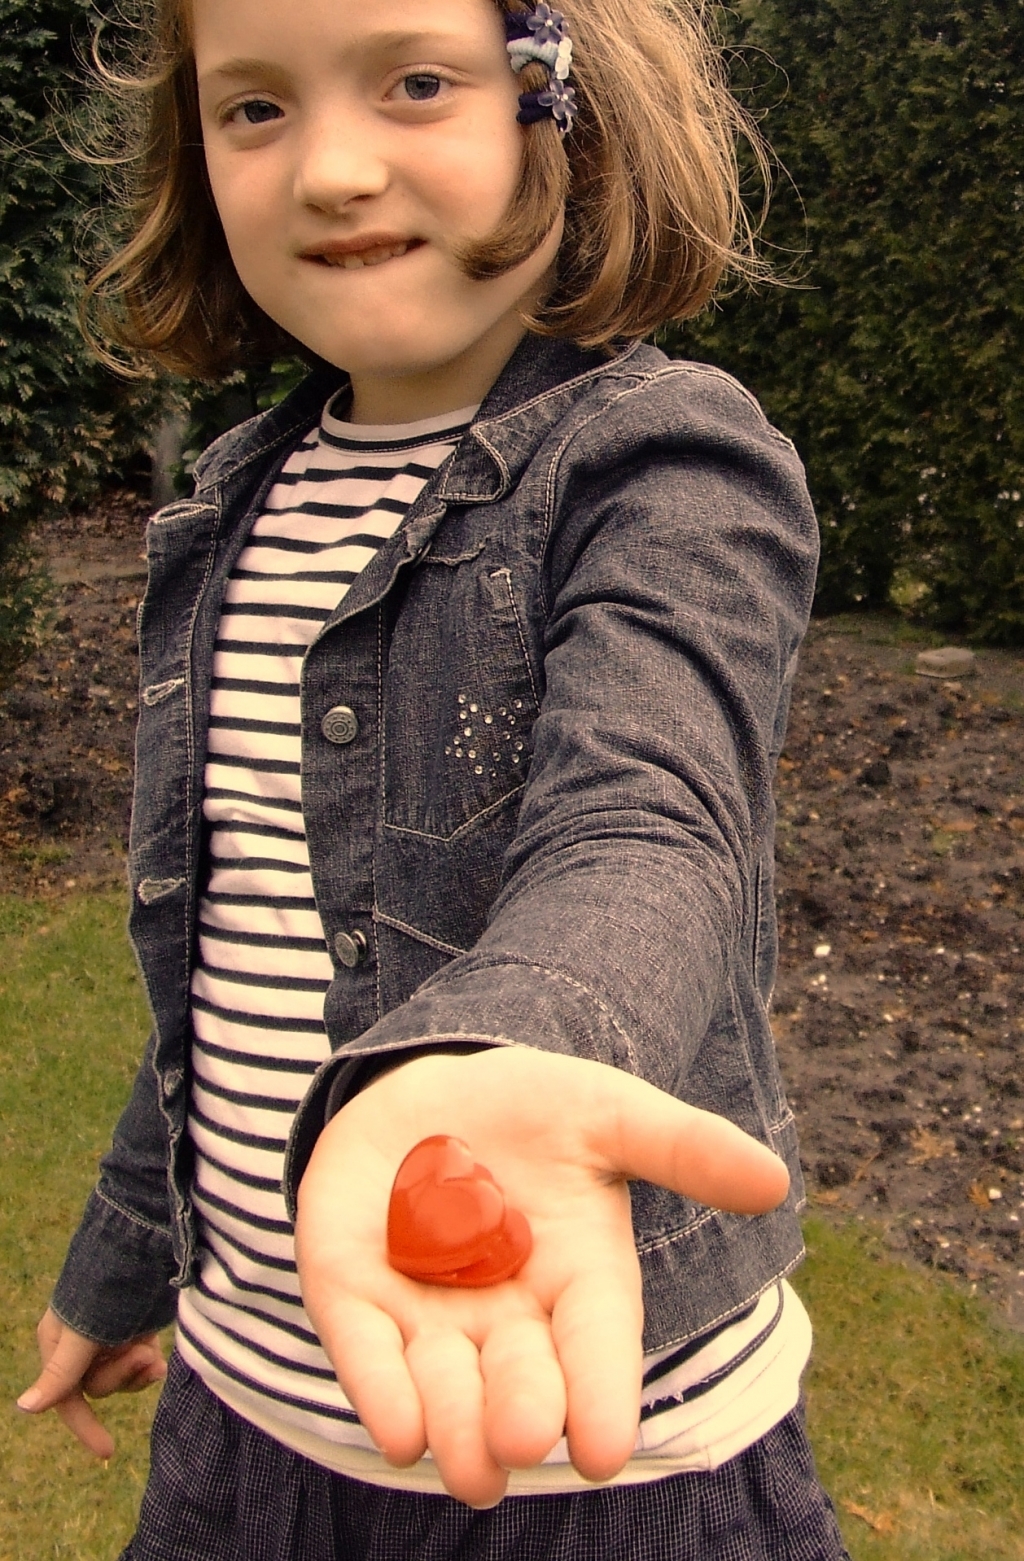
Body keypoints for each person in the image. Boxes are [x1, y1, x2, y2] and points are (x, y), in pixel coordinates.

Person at [17, 0, 851, 1554]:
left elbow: (649, 820)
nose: (330, 168)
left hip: (599, 1461)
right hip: (240, 1422)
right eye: (252, 108)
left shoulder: (662, 461)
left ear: (565, 108)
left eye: (415, 83)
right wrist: (122, 1259)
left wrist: (497, 1056)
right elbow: (224, 959)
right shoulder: (231, 504)